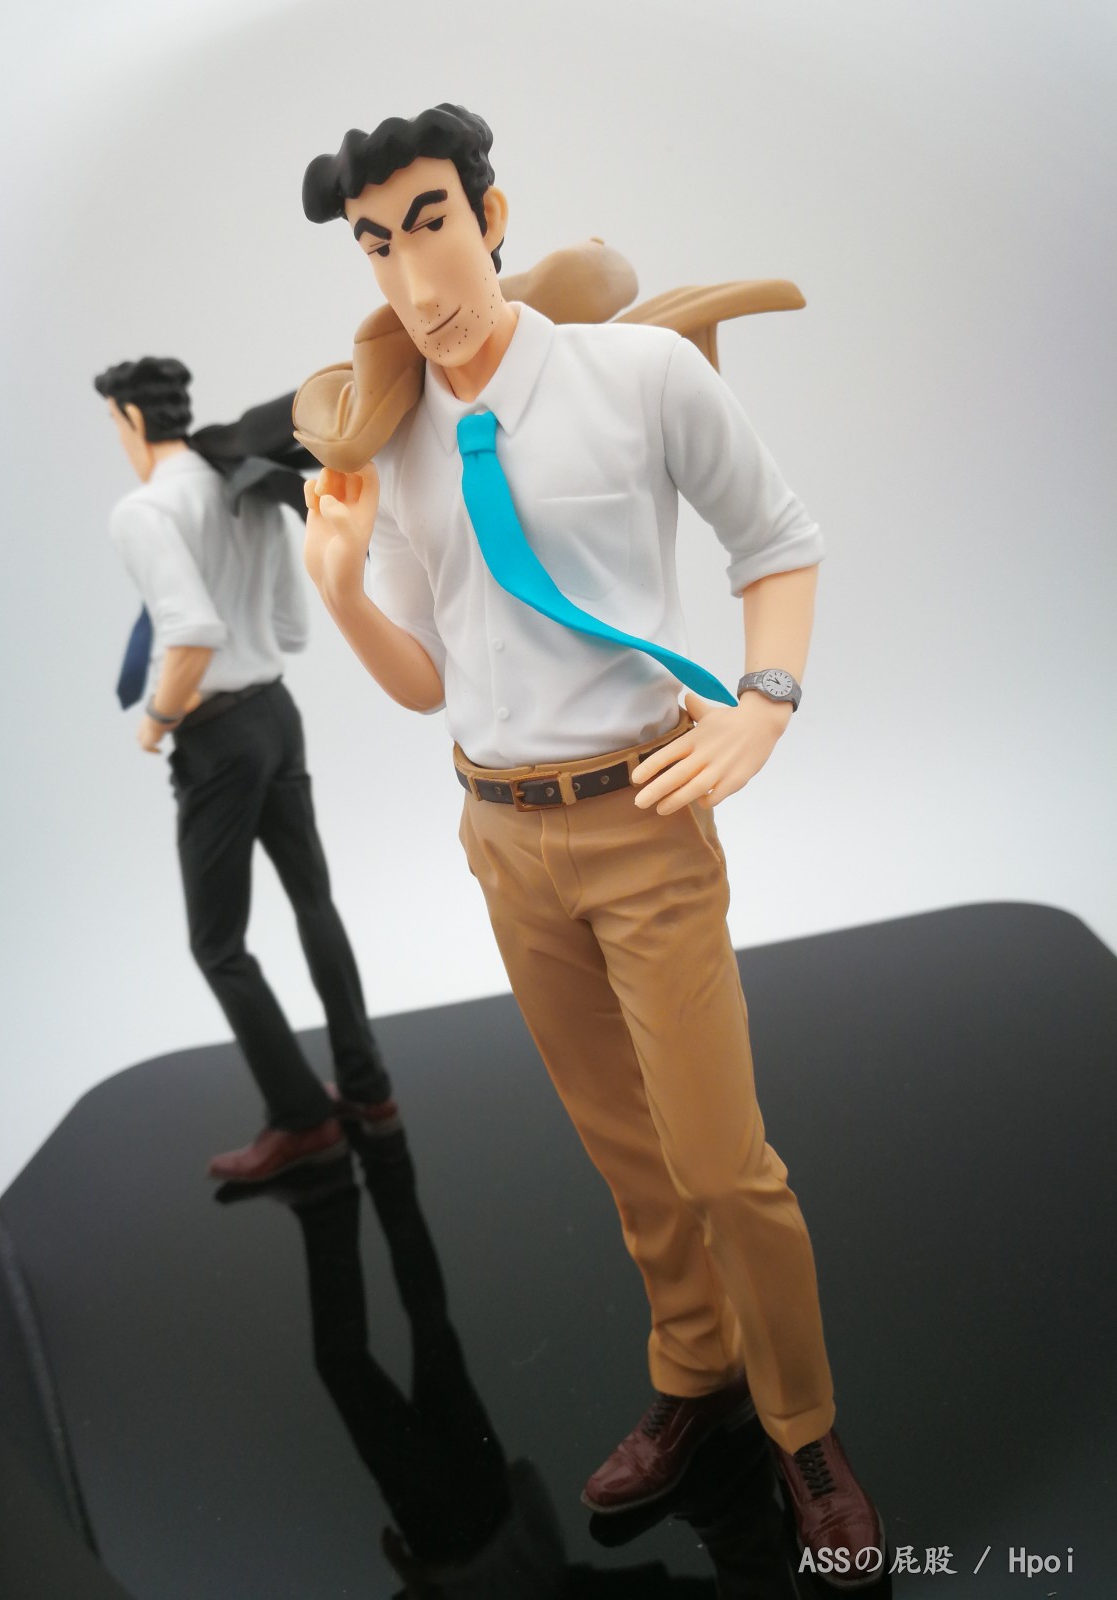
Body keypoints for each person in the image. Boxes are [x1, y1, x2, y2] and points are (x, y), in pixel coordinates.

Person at [294, 106, 881, 1580]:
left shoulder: (640, 375)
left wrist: (763, 703)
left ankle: (805, 1429)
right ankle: (697, 1372)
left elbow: (779, 539)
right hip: (504, 837)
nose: (413, 273)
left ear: (492, 217)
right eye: (376, 243)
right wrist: (344, 588)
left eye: (432, 222)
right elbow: (427, 673)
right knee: (626, 1154)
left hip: (642, 818)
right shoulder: (398, 437)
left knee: (723, 1162)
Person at [95, 356, 397, 1184]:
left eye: (114, 424)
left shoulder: (144, 511)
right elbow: (292, 629)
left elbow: (190, 632)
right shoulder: (250, 485)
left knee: (217, 943)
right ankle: (368, 1090)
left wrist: (157, 721)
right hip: (276, 714)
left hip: (217, 738)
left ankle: (303, 1119)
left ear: (131, 420)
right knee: (313, 901)